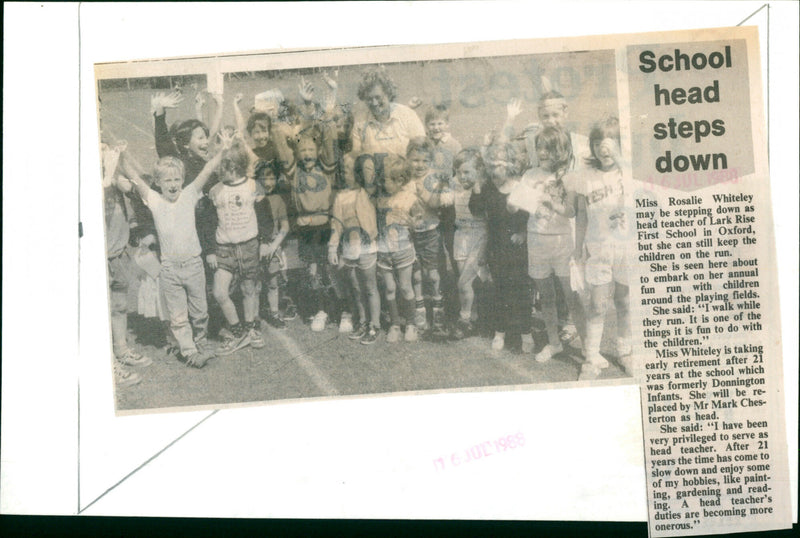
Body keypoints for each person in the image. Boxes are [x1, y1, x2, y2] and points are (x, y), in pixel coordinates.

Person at [116, 133, 231, 368]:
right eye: (167, 181)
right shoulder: (155, 200)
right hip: (170, 270)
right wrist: (122, 154)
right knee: (178, 316)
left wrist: (224, 149)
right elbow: (134, 177)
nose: (173, 185)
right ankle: (189, 352)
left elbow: (208, 170)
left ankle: (200, 341)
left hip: (194, 265)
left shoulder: (189, 195)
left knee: (200, 312)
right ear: (158, 183)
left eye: (177, 179)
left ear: (182, 180)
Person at [508, 126, 582, 360]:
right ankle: (553, 342)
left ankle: (589, 348)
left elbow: (571, 212)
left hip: (561, 242)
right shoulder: (530, 175)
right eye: (539, 147)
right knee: (546, 297)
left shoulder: (567, 176)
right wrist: (513, 203)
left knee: (571, 296)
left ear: (559, 151)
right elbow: (515, 206)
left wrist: (550, 202)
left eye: (548, 148)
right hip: (536, 240)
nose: (542, 153)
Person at [573, 117, 632, 380]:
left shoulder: (626, 172)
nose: (602, 149)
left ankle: (625, 351)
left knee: (624, 301)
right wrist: (577, 250)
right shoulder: (586, 176)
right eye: (597, 143)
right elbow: (582, 216)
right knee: (597, 305)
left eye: (608, 143)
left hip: (625, 248)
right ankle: (590, 358)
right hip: (597, 248)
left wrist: (620, 157)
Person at [273, 115, 337, 332]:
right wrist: (277, 123)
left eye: (311, 150)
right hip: (306, 228)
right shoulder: (295, 173)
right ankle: (321, 309)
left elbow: (330, 144)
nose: (307, 154)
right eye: (303, 151)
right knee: (312, 270)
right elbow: (282, 149)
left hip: (326, 225)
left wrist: (325, 120)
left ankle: (340, 308)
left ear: (318, 152)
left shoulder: (327, 169)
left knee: (330, 268)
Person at [207, 137, 270, 355]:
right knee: (219, 292)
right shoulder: (215, 190)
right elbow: (207, 222)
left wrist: (265, 242)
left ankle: (251, 328)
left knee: (248, 289)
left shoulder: (253, 186)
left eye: (221, 167)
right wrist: (209, 250)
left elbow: (263, 216)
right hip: (225, 248)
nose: (217, 171)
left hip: (249, 246)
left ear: (233, 167)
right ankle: (237, 330)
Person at [471, 137, 533, 352]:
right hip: (496, 246)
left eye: (497, 165)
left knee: (522, 291)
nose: (493, 170)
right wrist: (477, 185)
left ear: (510, 164)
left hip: (518, 249)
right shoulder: (488, 187)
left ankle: (526, 333)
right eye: (490, 165)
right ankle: (500, 331)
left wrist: (523, 232)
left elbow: (531, 215)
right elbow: (476, 209)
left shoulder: (520, 186)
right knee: (500, 290)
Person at [102, 141, 152, 387]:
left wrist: (119, 163)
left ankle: (121, 349)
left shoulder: (109, 161)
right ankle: (108, 363)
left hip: (118, 251)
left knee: (120, 305)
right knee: (100, 313)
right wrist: (108, 171)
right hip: (98, 256)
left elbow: (125, 185)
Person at [328, 154, 380, 344]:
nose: (346, 174)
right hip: (350, 248)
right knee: (356, 288)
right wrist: (333, 248)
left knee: (370, 287)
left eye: (350, 170)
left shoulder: (368, 191)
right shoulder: (340, 197)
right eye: (343, 170)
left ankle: (375, 325)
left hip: (367, 248)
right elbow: (337, 224)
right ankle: (363, 322)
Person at [407, 137, 453, 338]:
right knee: (416, 274)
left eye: (425, 161)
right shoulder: (404, 177)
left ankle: (438, 312)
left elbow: (435, 204)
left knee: (433, 274)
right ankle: (419, 312)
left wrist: (421, 193)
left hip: (431, 232)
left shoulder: (433, 178)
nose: (420, 165)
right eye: (415, 160)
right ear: (408, 159)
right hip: (409, 234)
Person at [375, 155, 421, 343]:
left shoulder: (410, 198)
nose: (382, 182)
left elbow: (419, 219)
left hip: (403, 251)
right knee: (389, 288)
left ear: (400, 180)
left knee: (405, 287)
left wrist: (414, 222)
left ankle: (410, 323)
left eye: (385, 179)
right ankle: (395, 324)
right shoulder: (380, 199)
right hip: (384, 251)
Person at [449, 148, 490, 340]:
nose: (462, 176)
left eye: (467, 172)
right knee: (465, 283)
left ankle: (463, 319)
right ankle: (473, 318)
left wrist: (478, 185)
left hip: (478, 236)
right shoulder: (454, 185)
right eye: (459, 172)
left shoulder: (482, 188)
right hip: (461, 237)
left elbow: (487, 217)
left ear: (478, 171)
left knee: (464, 282)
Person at [351, 68, 426, 157]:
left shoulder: (408, 115)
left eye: (378, 97)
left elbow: (423, 150)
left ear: (388, 94)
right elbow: (356, 155)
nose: (374, 103)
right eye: (369, 99)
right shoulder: (360, 122)